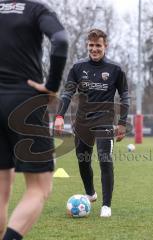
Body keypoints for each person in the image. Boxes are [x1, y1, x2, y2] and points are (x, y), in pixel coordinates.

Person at [0, 0, 68, 239]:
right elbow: (60, 40)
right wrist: (51, 86)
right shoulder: (36, 9)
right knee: (39, 188)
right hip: (24, 103)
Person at [55, 28, 129, 217]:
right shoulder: (77, 68)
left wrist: (122, 123)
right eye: (91, 45)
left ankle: (106, 205)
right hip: (82, 122)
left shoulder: (115, 69)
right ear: (87, 45)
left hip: (105, 121)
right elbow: (67, 93)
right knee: (83, 160)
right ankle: (90, 193)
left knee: (105, 159)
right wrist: (60, 115)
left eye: (98, 45)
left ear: (105, 46)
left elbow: (125, 97)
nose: (94, 49)